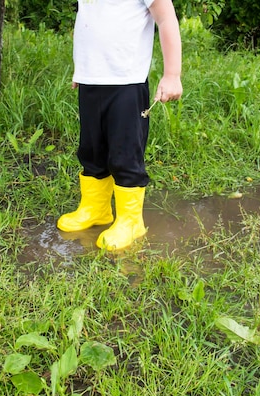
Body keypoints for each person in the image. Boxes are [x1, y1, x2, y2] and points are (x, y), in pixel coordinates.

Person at [57, 0, 183, 251]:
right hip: (91, 81)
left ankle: (131, 221)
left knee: (125, 153)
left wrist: (172, 75)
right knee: (92, 150)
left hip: (127, 82)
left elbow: (167, 19)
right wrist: (82, 69)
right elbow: (90, 24)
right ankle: (96, 209)